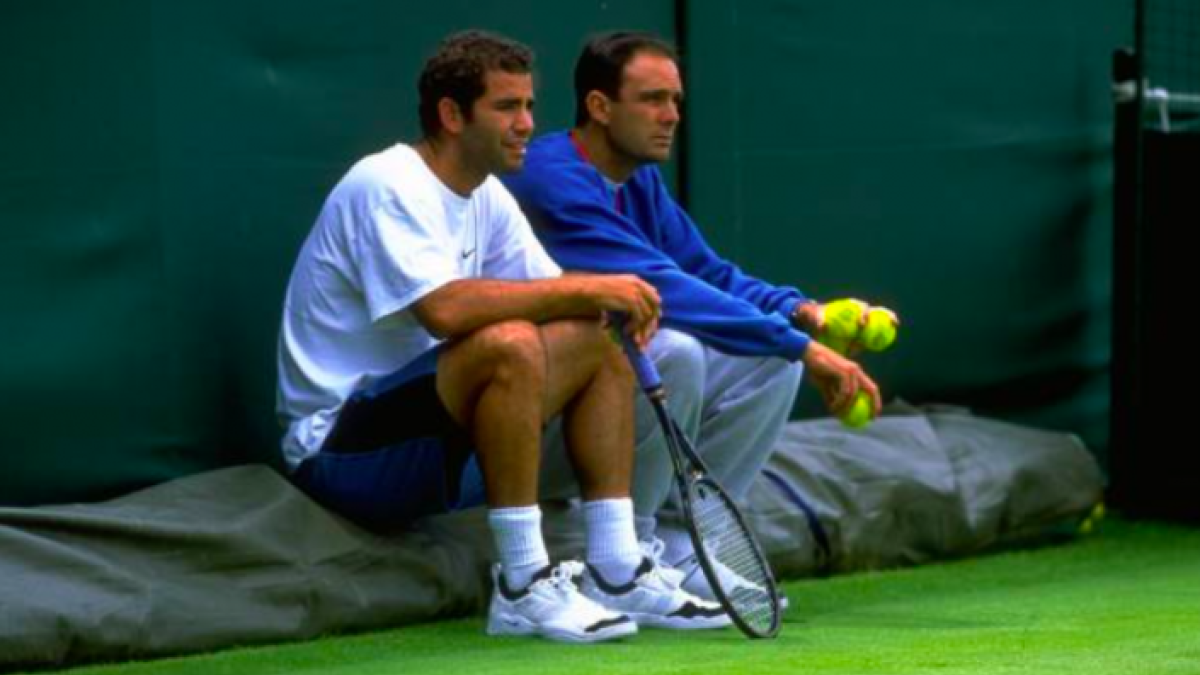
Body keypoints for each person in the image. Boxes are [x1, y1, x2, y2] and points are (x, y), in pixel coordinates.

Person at [275, 30, 727, 643]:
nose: (526, 124)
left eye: (530, 107)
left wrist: (606, 300)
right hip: (341, 454)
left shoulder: (485, 193)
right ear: (452, 115)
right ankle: (521, 584)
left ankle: (617, 567)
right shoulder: (385, 181)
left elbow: (558, 296)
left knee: (601, 327)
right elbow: (445, 310)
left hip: (433, 441)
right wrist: (594, 288)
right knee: (512, 339)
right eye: (507, 108)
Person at [503, 31, 882, 601]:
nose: (671, 115)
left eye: (676, 100)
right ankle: (625, 554)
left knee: (771, 364)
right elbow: (668, 288)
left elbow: (707, 271)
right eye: (653, 99)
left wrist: (804, 313)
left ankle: (685, 545)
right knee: (674, 350)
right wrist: (805, 346)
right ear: (600, 107)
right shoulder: (552, 178)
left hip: (587, 416)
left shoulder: (639, 180)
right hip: (518, 430)